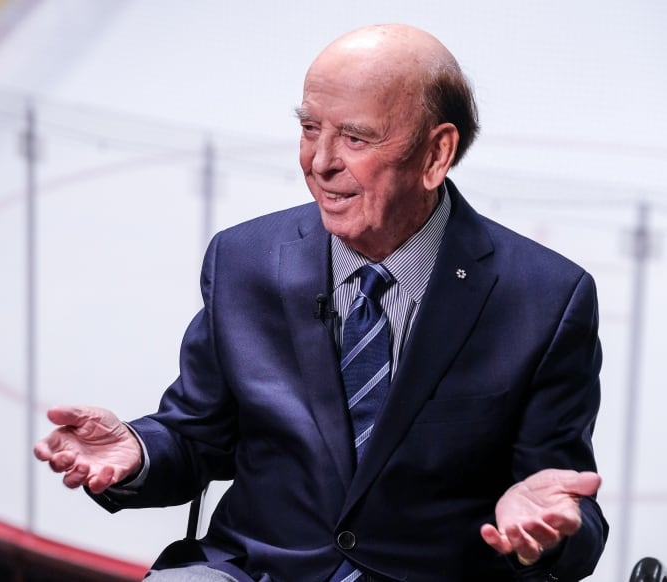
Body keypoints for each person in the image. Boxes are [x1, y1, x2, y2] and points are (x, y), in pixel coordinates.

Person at [34, 24, 608, 581]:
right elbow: (196, 436)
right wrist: (138, 450)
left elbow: (565, 504)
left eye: (355, 138)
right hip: (254, 570)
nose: (320, 161)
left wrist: (546, 534)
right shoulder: (244, 259)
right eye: (310, 129)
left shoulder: (546, 298)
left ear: (437, 153)